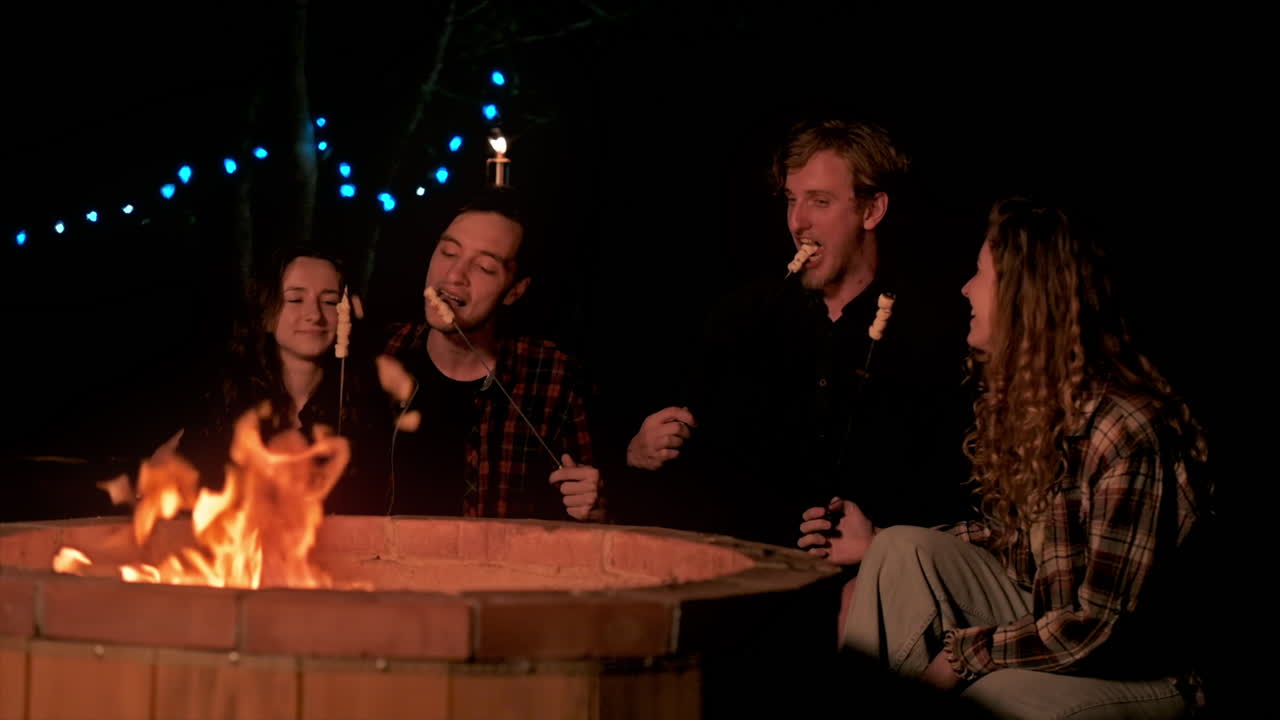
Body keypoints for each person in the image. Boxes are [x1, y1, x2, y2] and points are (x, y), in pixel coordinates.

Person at [798, 197, 1212, 718]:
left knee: (994, 698)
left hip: (1141, 670)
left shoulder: (1124, 430)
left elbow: (1101, 627)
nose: (966, 288)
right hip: (1056, 623)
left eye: (980, 274)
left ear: (1026, 296)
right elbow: (1015, 544)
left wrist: (965, 656)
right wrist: (876, 543)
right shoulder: (1037, 407)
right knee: (901, 550)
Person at [621, 119, 974, 547]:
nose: (798, 222)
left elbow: (950, 487)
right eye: (792, 200)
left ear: (872, 210)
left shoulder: (932, 329)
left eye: (820, 202)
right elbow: (692, 461)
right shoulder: (742, 316)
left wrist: (877, 545)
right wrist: (642, 453)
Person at [372, 186, 605, 522]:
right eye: (448, 253)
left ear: (515, 291)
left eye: (483, 267)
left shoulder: (554, 378)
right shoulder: (375, 355)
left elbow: (592, 518)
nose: (453, 276)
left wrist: (592, 506)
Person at [161, 247, 392, 506]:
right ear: (267, 310)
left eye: (329, 302)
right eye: (295, 299)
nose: (314, 315)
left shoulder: (365, 408)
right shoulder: (226, 403)